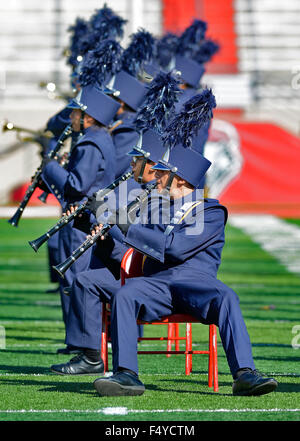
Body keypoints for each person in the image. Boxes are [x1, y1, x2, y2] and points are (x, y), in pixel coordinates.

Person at [92, 89, 278, 397]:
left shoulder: (210, 211)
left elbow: (176, 248)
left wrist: (125, 222)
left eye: (163, 174)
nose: (157, 178)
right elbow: (137, 238)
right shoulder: (156, 205)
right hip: (157, 284)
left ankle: (245, 373)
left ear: (180, 179)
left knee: (227, 296)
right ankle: (127, 375)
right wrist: (103, 217)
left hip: (196, 284)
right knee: (125, 294)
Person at [49, 70, 182, 375]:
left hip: (155, 279)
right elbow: (115, 223)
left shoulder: (168, 198)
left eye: (138, 160)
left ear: (154, 166)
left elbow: (159, 246)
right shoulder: (133, 188)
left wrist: (117, 230)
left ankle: (111, 361)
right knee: (85, 279)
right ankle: (90, 355)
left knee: (101, 283)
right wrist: (90, 223)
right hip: (131, 270)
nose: (131, 163)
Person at [39, 40, 122, 353]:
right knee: (74, 281)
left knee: (76, 281)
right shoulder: (97, 138)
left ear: (87, 117)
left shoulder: (89, 143)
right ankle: (79, 344)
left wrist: (50, 169)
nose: (71, 117)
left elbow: (76, 186)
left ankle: (85, 348)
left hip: (81, 220)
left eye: (76, 113)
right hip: (86, 216)